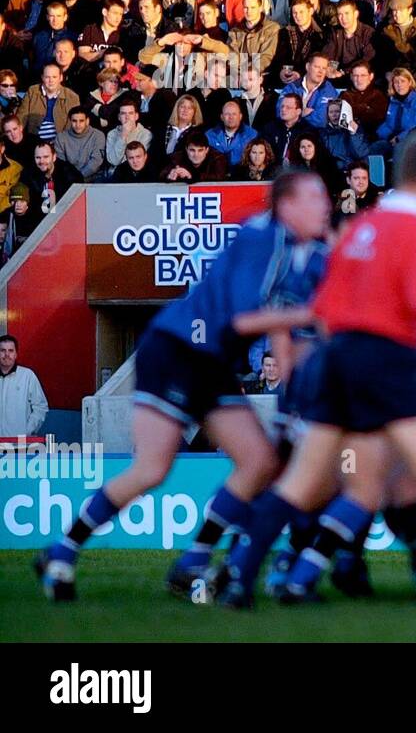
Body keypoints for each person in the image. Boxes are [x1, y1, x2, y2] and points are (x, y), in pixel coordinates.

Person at [220, 135, 416, 612]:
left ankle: (239, 580)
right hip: (385, 358)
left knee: (306, 483)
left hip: (336, 356)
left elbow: (325, 309)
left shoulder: (362, 227)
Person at [35, 171, 332, 601]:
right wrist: (312, 317)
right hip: (176, 348)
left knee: (260, 461)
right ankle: (62, 550)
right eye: (314, 196)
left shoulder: (310, 253)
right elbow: (244, 320)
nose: (324, 205)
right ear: (286, 207)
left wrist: (289, 404)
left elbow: (284, 331)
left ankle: (193, 560)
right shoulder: (261, 240)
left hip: (212, 361)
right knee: (152, 468)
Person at [0, 334, 50, 437]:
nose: (6, 354)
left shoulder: (27, 376)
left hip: (21, 444)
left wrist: (27, 431)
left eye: (10, 351)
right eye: (3, 350)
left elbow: (41, 407)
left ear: (16, 354)